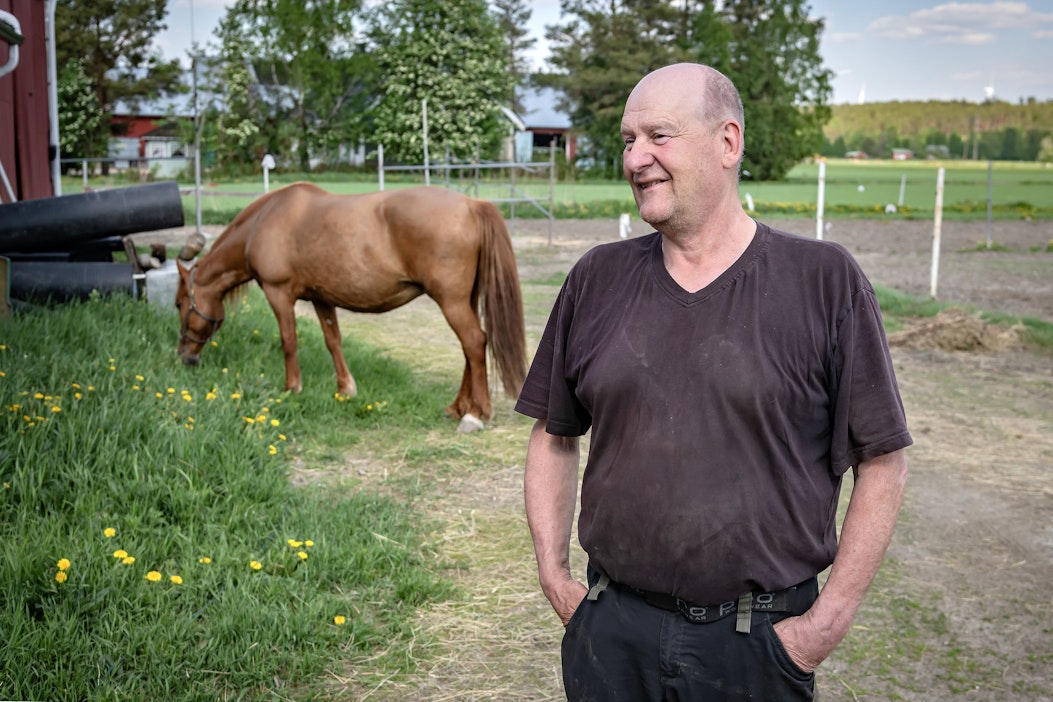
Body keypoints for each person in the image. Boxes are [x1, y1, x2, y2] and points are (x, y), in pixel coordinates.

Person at [516, 63, 912, 701]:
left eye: (658, 137)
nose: (635, 158)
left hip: (757, 644)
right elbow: (554, 435)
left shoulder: (823, 281)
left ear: (727, 143)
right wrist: (555, 578)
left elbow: (883, 462)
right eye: (627, 140)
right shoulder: (596, 277)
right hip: (610, 633)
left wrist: (822, 626)